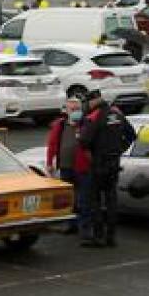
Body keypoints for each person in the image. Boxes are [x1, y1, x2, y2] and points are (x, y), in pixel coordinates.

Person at [77, 95, 132, 248]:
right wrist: (119, 149)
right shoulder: (117, 114)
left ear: (94, 101)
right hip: (114, 163)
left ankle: (99, 236)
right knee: (111, 200)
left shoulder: (95, 116)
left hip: (98, 164)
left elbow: (84, 141)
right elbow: (131, 135)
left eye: (87, 102)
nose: (86, 105)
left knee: (95, 201)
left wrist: (92, 154)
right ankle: (111, 236)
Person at [43, 96, 90, 234]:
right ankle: (72, 225)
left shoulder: (86, 124)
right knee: (69, 198)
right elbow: (52, 144)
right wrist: (49, 162)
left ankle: (84, 227)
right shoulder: (61, 125)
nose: (76, 111)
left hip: (82, 167)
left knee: (83, 198)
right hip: (66, 166)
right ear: (67, 110)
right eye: (73, 109)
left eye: (78, 109)